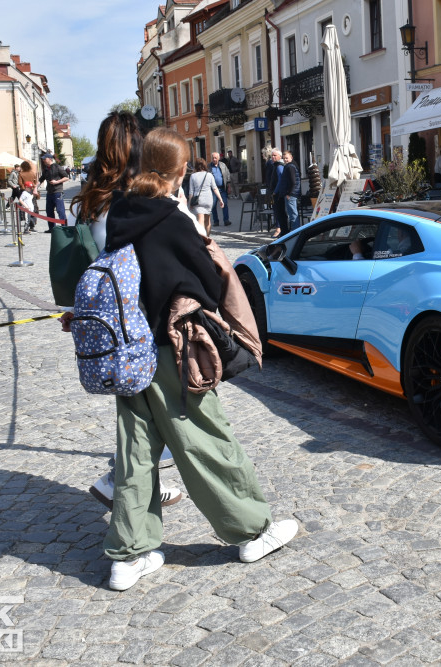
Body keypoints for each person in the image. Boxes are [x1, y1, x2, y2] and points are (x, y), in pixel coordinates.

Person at [100, 127, 298, 591]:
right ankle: (252, 530)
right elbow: (205, 283)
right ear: (181, 170)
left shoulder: (120, 212)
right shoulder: (172, 219)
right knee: (207, 436)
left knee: (136, 450)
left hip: (130, 350)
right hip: (173, 348)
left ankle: (129, 556)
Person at [67, 111, 184, 511]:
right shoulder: (137, 200)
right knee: (162, 409)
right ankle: (117, 479)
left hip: (107, 315)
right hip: (141, 315)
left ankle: (135, 482)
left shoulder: (92, 196)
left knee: (138, 408)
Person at [189, 158, 224, 236]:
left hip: (198, 200)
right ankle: (207, 237)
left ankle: (202, 239)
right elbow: (215, 188)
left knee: (200, 220)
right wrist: (221, 199)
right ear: (205, 165)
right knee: (208, 220)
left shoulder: (193, 176)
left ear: (196, 166)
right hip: (208, 199)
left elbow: (191, 191)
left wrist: (190, 202)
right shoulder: (209, 175)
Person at [38, 152, 69, 233]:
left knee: (60, 210)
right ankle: (52, 228)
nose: (44, 160)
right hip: (49, 193)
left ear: (50, 159)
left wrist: (57, 182)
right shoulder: (45, 169)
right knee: (49, 211)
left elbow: (66, 177)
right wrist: (35, 188)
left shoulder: (57, 167)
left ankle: (65, 227)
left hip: (57, 192)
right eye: (43, 159)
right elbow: (41, 179)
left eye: (45, 159)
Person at [208, 152, 232, 227]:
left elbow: (227, 175)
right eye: (213, 158)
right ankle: (216, 221)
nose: (214, 159)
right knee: (213, 205)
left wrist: (228, 185)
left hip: (222, 189)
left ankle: (226, 220)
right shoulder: (209, 167)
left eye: (215, 158)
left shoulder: (222, 165)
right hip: (213, 190)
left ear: (218, 158)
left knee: (224, 203)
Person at [268, 149, 286, 237]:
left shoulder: (279, 166)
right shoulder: (275, 165)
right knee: (276, 211)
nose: (273, 157)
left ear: (280, 156)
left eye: (275, 155)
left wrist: (275, 191)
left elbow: (280, 180)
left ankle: (279, 229)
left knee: (279, 211)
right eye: (272, 155)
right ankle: (279, 228)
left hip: (278, 194)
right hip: (275, 192)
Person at [281, 151, 301, 231]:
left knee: (293, 214)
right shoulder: (293, 165)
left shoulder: (290, 167)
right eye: (284, 158)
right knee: (292, 213)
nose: (285, 160)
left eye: (287, 158)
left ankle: (295, 232)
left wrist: (289, 193)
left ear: (291, 158)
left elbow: (293, 181)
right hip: (293, 193)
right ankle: (295, 231)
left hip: (291, 194)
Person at [17, 160, 39, 231]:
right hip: (32, 191)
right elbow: (35, 182)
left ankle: (27, 224)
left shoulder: (21, 174)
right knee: (33, 207)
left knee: (25, 208)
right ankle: (32, 225)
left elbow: (20, 183)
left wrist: (24, 189)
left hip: (24, 191)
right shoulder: (32, 173)